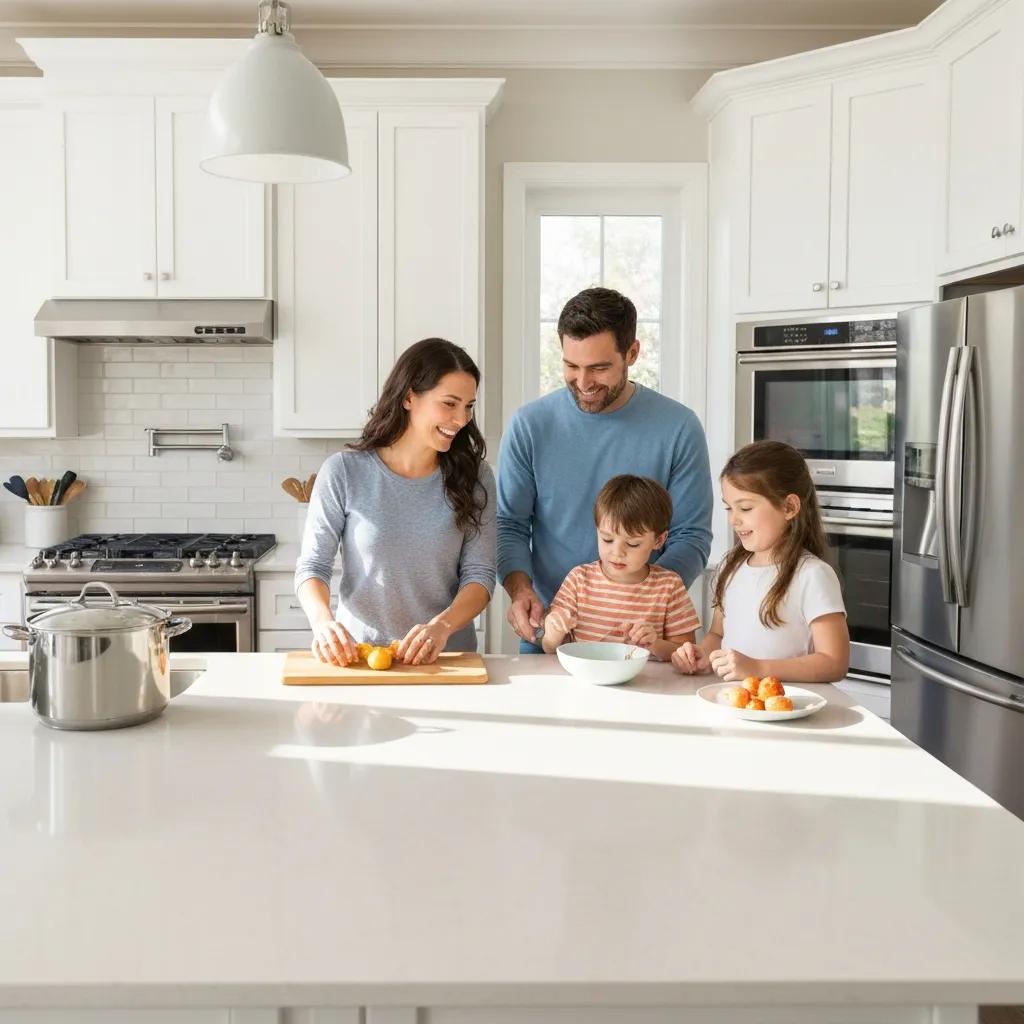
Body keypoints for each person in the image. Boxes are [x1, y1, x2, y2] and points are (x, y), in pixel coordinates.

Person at [498, 286, 713, 652]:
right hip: (552, 637)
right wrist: (520, 591)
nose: (583, 383)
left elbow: (691, 535)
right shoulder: (529, 426)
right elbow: (510, 525)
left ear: (632, 353)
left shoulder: (679, 427)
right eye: (571, 366)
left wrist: (643, 602)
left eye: (599, 368)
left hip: (642, 645)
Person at [295, 338, 495, 667]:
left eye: (469, 406)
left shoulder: (476, 477)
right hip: (359, 657)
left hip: (445, 659)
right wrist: (323, 622)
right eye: (449, 403)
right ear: (408, 397)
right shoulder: (344, 471)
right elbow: (312, 566)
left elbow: (480, 575)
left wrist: (441, 627)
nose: (461, 419)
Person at [672, 440, 850, 684]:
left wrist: (757, 668)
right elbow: (717, 634)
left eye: (745, 508)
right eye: (729, 508)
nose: (734, 520)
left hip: (787, 709)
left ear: (789, 507)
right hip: (736, 703)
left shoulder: (812, 575)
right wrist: (702, 655)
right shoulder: (730, 568)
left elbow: (834, 662)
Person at [540, 475, 699, 662]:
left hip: (648, 686)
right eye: (607, 539)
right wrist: (552, 635)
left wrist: (654, 643)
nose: (617, 552)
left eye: (632, 544)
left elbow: (686, 653)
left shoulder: (669, 586)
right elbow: (550, 649)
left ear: (658, 540)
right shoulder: (578, 580)